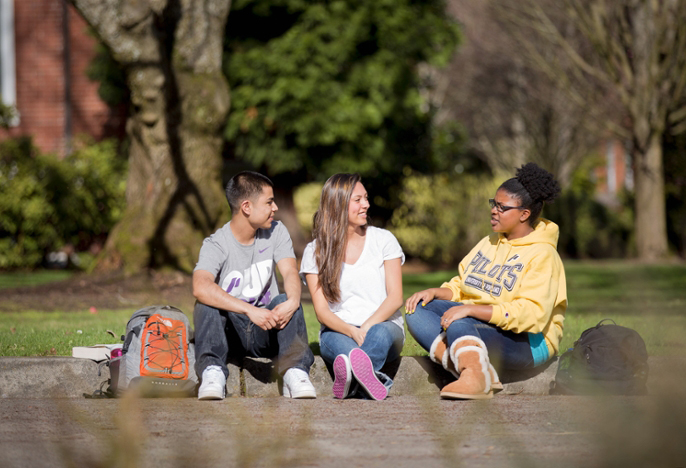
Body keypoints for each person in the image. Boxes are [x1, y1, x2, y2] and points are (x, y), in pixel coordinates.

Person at [405, 163, 567, 400]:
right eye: (494, 204)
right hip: (482, 324)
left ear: (524, 214)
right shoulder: (489, 241)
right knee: (417, 310)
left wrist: (471, 310)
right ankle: (476, 372)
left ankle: (474, 377)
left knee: (460, 324)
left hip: (529, 341)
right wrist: (437, 292)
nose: (494, 211)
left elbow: (530, 315)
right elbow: (464, 285)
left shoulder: (544, 255)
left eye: (502, 207)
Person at [192, 171, 316, 400]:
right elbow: (200, 286)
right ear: (246, 207)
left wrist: (293, 301)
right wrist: (250, 310)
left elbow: (289, 271)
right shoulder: (216, 243)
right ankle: (213, 372)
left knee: (286, 300)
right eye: (269, 202)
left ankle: (295, 372)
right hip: (230, 337)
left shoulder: (277, 231)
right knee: (205, 302)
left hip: (267, 329)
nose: (275, 207)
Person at [300, 173, 405, 400]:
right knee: (348, 354)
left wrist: (365, 328)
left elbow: (396, 298)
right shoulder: (315, 251)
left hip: (384, 326)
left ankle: (349, 380)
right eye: (358, 200)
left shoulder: (384, 240)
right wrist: (351, 331)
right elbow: (322, 312)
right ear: (337, 204)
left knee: (375, 338)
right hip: (339, 330)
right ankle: (369, 383)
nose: (366, 204)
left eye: (366, 198)